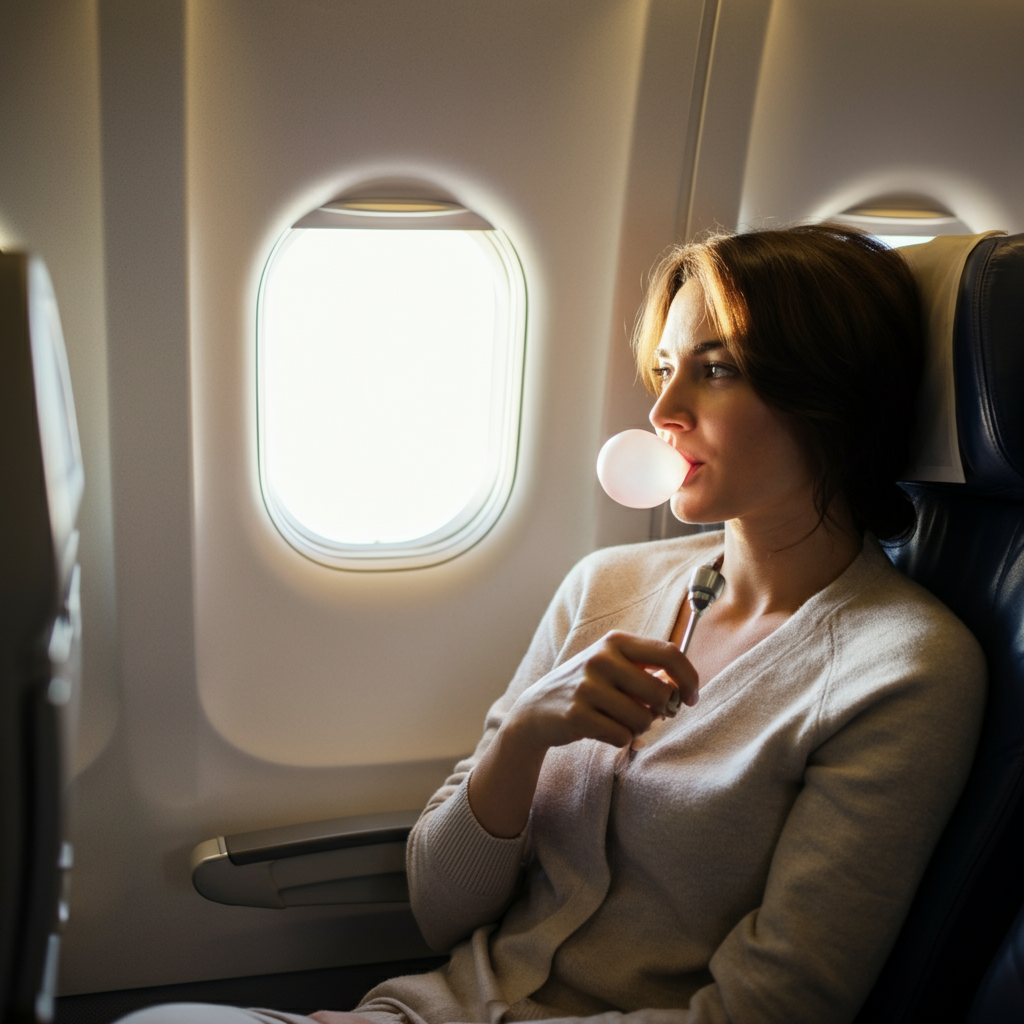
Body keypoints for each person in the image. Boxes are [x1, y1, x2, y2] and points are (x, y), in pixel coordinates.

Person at [126, 225, 987, 1024]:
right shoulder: (606, 587)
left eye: (715, 370)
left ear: (829, 399)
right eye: (663, 369)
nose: (661, 411)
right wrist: (525, 734)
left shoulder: (904, 669)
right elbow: (441, 908)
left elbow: (775, 1009)